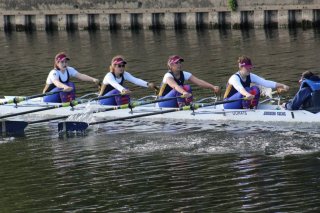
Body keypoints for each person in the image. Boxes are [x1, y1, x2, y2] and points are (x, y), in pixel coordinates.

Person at [223, 56, 289, 109]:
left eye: (250, 68)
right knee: (247, 90)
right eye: (247, 68)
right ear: (241, 67)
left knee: (256, 89)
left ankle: (252, 107)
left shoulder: (250, 76)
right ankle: (246, 109)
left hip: (242, 99)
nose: (249, 70)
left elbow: (265, 83)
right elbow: (240, 89)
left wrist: (282, 85)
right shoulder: (234, 78)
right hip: (228, 103)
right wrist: (247, 94)